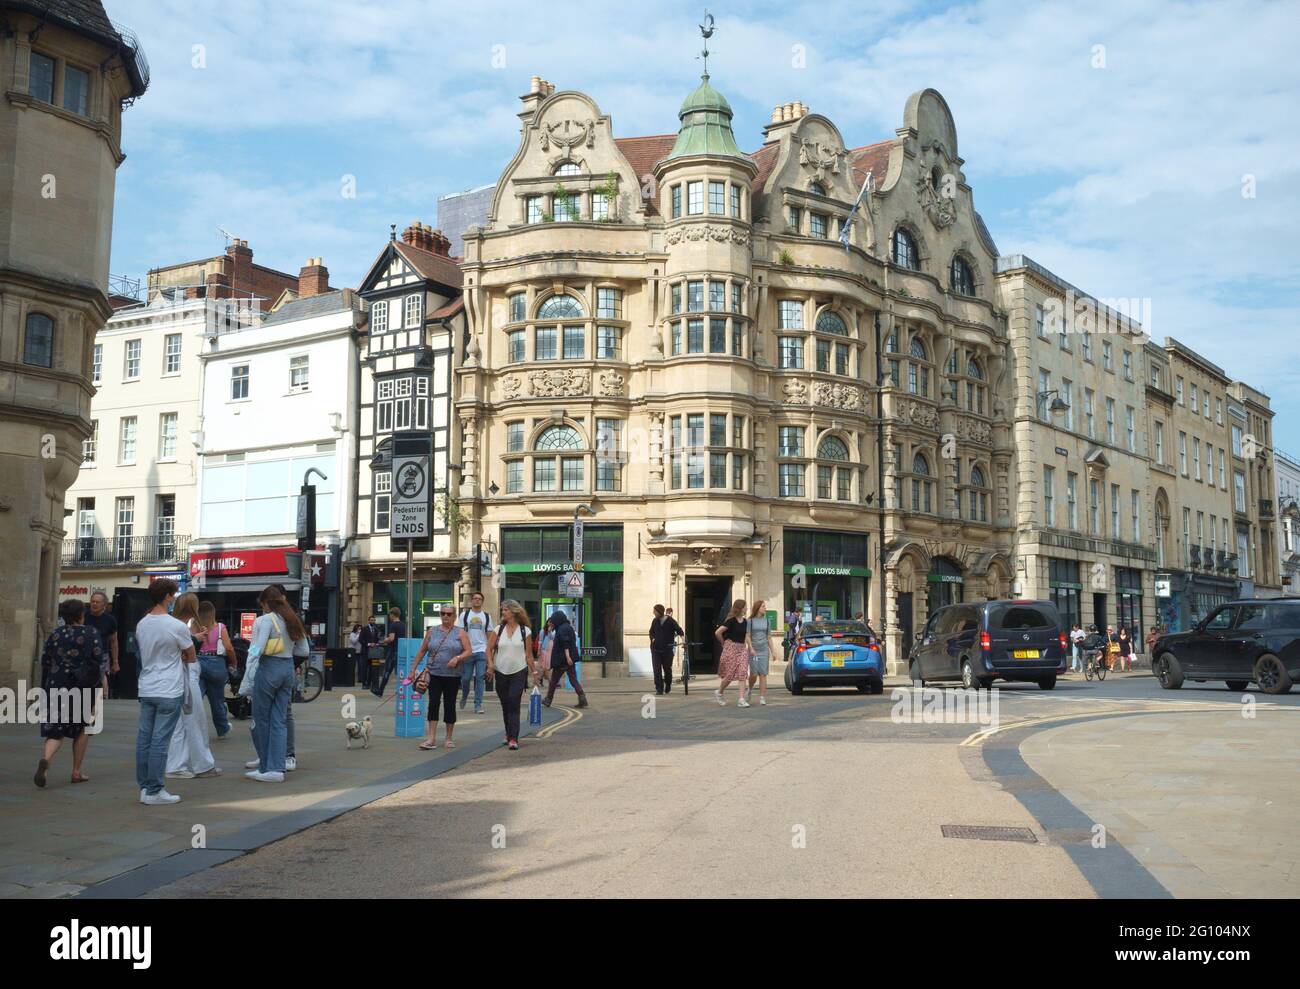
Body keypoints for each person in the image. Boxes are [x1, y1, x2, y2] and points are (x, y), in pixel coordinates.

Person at [134, 578, 196, 805]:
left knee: (145, 739)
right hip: (170, 688)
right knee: (161, 740)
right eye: (173, 595)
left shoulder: (142, 624)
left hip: (147, 686)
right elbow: (191, 655)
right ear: (168, 596)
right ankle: (155, 790)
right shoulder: (177, 626)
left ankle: (145, 787)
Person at [34, 599, 105, 788]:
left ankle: (46, 761)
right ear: (81, 614)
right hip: (83, 686)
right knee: (83, 727)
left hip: (57, 683)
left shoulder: (56, 633)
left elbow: (45, 660)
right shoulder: (91, 633)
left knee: (56, 729)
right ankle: (76, 771)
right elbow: (98, 658)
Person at [245, 585, 308, 783]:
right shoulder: (291, 619)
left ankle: (266, 766)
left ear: (265, 603)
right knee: (279, 720)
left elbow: (258, 647)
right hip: (287, 668)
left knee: (260, 720)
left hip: (269, 668)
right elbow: (304, 650)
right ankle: (278, 767)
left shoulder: (265, 620)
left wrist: (249, 666)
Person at [165, 593, 220, 780]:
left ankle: (176, 765)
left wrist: (194, 638)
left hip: (178, 677)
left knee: (180, 724)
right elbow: (189, 655)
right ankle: (202, 764)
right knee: (195, 719)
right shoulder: (181, 626)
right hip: (186, 676)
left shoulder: (173, 624)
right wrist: (195, 640)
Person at [411, 605, 472, 750]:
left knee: (449, 704)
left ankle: (448, 738)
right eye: (443, 613)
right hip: (434, 673)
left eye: (449, 614)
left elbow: (469, 651)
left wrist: (457, 658)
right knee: (433, 703)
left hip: (453, 675)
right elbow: (422, 651)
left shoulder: (460, 632)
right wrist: (412, 669)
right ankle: (431, 738)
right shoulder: (432, 631)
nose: (446, 616)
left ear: (454, 616)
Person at [488, 599, 536, 750]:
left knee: (514, 703)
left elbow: (528, 655)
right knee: (505, 705)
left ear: (514, 612)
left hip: (519, 671)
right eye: (502, 610)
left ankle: (513, 738)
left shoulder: (525, 631)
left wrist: (534, 672)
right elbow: (488, 649)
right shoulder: (498, 629)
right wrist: (490, 664)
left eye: (505, 610)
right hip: (501, 671)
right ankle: (508, 733)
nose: (503, 613)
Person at [194, 600, 236, 740]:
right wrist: (234, 662)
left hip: (198, 662)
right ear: (213, 613)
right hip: (216, 664)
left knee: (196, 698)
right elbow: (229, 648)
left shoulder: (194, 627)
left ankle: (194, 729)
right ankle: (222, 729)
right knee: (217, 700)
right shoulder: (220, 628)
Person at [542, 610, 589, 708]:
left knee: (554, 681)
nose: (553, 622)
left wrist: (567, 657)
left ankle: (548, 699)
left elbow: (565, 643)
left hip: (562, 660)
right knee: (573, 679)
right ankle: (582, 697)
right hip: (569, 659)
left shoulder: (561, 629)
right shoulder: (569, 628)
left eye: (554, 620)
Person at [457, 592, 492, 714]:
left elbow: (489, 636)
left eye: (480, 599)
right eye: (475, 598)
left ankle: (478, 705)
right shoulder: (464, 615)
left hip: (482, 650)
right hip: (468, 651)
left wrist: (490, 655)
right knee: (466, 679)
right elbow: (460, 633)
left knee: (480, 678)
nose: (477, 600)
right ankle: (465, 696)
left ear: (482, 601)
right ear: (472, 601)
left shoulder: (487, 616)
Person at [714, 599, 750, 707]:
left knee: (743, 673)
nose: (747, 608)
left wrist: (750, 648)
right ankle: (719, 692)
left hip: (742, 648)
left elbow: (747, 636)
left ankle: (741, 699)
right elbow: (718, 632)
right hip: (731, 647)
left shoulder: (746, 622)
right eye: (745, 606)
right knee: (729, 675)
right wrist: (723, 643)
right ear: (740, 608)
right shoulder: (731, 621)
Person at [84, 591, 118, 700]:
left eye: (97, 602)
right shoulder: (84, 616)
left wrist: (115, 662)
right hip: (84, 654)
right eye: (92, 601)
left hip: (102, 654)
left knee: (100, 674)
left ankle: (103, 697)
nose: (94, 604)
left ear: (104, 604)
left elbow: (114, 641)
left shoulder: (110, 620)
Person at [649, 604, 683, 695]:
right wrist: (652, 639)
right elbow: (651, 632)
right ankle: (659, 689)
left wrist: (684, 641)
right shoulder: (655, 621)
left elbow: (679, 631)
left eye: (655, 611)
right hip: (655, 649)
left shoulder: (670, 621)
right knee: (657, 670)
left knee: (667, 669)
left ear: (659, 611)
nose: (653, 613)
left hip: (667, 650)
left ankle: (668, 684)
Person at [745, 600, 773, 706]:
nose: (765, 608)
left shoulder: (767, 621)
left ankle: (762, 697)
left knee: (763, 674)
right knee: (754, 674)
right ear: (757, 608)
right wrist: (751, 648)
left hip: (764, 650)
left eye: (765, 606)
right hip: (754, 651)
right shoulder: (750, 621)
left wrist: (773, 651)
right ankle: (750, 689)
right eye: (763, 606)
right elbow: (747, 636)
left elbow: (769, 637)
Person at [374, 607, 406, 697]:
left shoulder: (393, 625)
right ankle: (403, 691)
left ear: (392, 614)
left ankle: (380, 691)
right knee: (401, 672)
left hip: (392, 651)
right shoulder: (403, 625)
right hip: (401, 651)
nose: (389, 617)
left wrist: (385, 640)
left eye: (390, 615)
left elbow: (391, 638)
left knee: (387, 671)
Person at [357, 618, 381, 688]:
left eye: (374, 620)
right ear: (369, 621)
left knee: (371, 669)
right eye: (371, 620)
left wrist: (376, 644)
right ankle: (364, 684)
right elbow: (360, 639)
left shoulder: (376, 630)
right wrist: (368, 644)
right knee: (364, 668)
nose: (373, 621)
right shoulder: (364, 629)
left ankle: (369, 683)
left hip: (373, 652)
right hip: (365, 651)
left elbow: (377, 640)